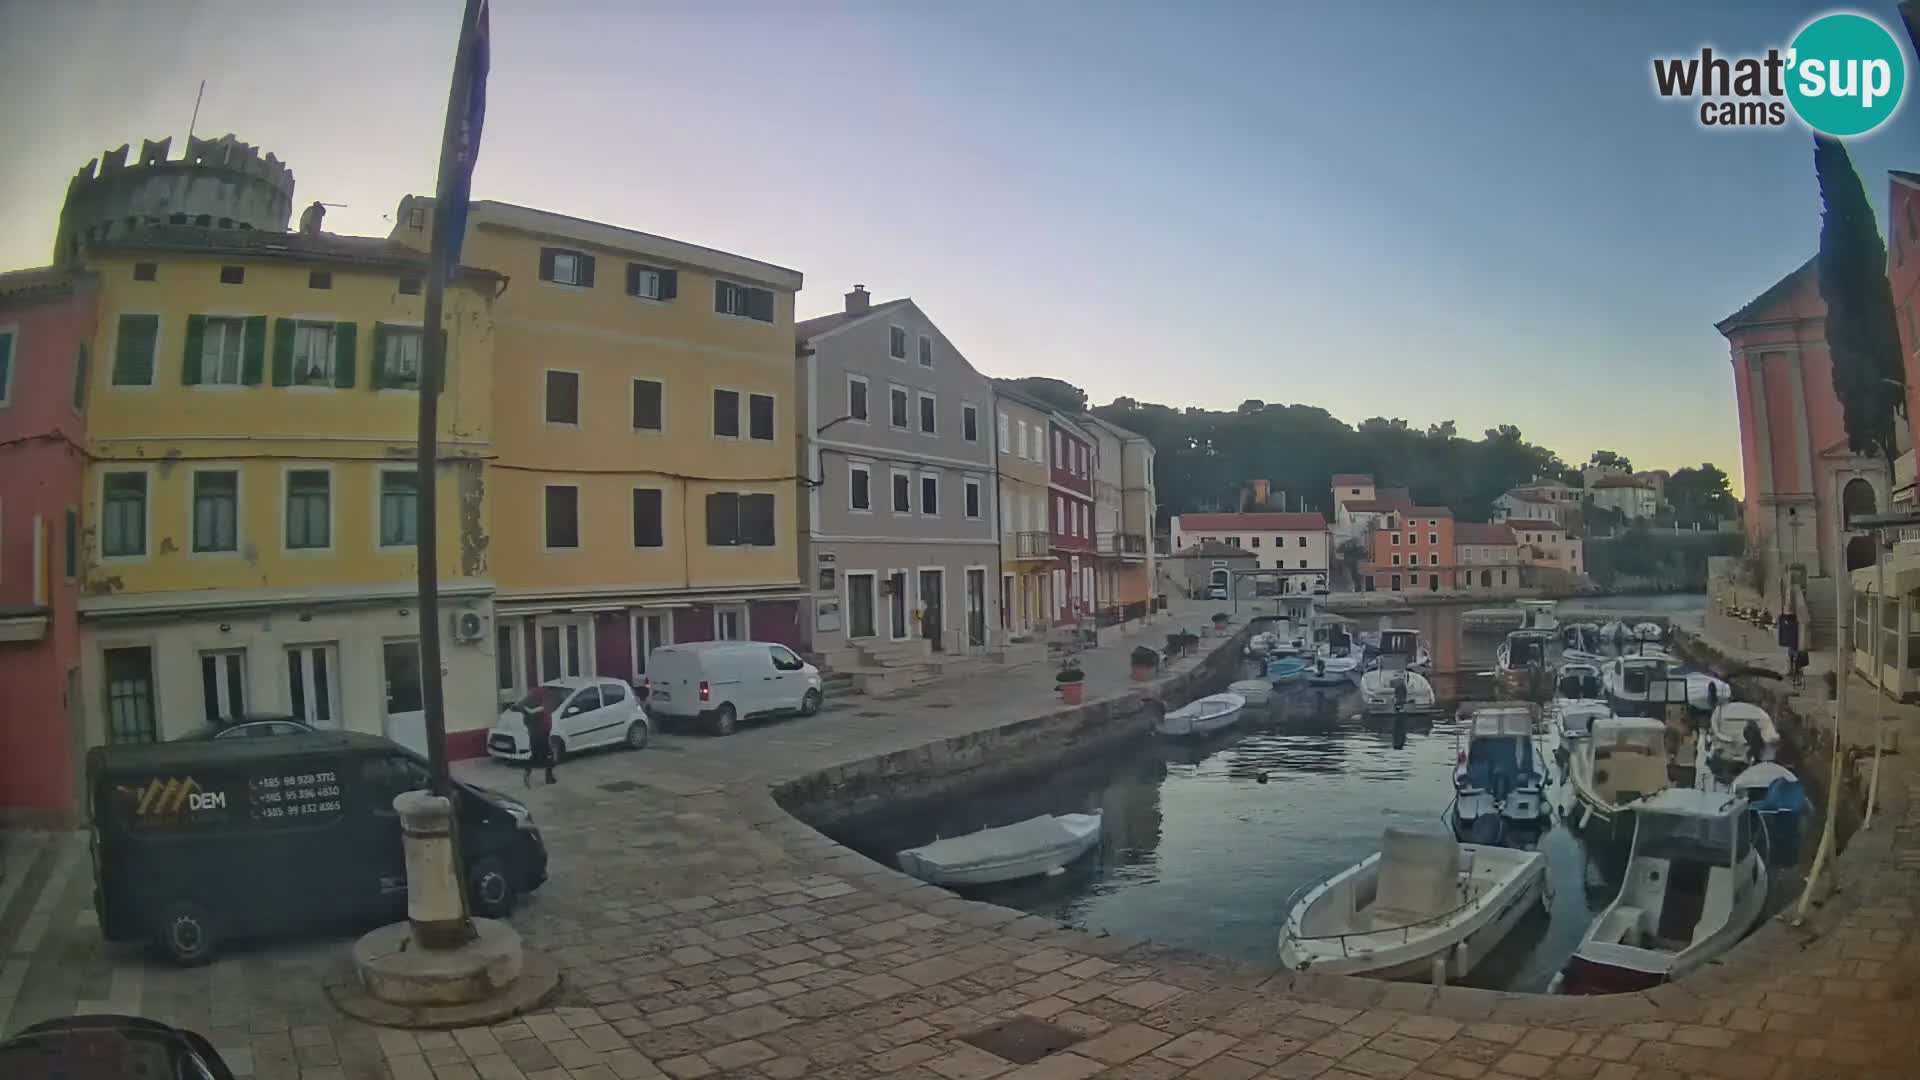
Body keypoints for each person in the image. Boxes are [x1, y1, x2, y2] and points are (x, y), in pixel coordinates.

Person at [523, 701, 557, 787]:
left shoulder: (534, 713)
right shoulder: (541, 708)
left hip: (536, 737)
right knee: (549, 755)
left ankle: (527, 774)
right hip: (542, 736)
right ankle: (549, 778)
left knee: (535, 757)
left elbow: (528, 724)